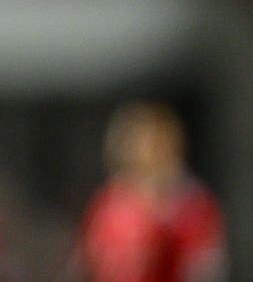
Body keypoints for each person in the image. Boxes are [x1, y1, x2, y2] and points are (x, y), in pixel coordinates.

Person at [74, 100, 227, 282]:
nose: (147, 148)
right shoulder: (109, 204)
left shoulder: (194, 204)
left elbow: (206, 267)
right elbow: (89, 264)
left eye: (156, 140)